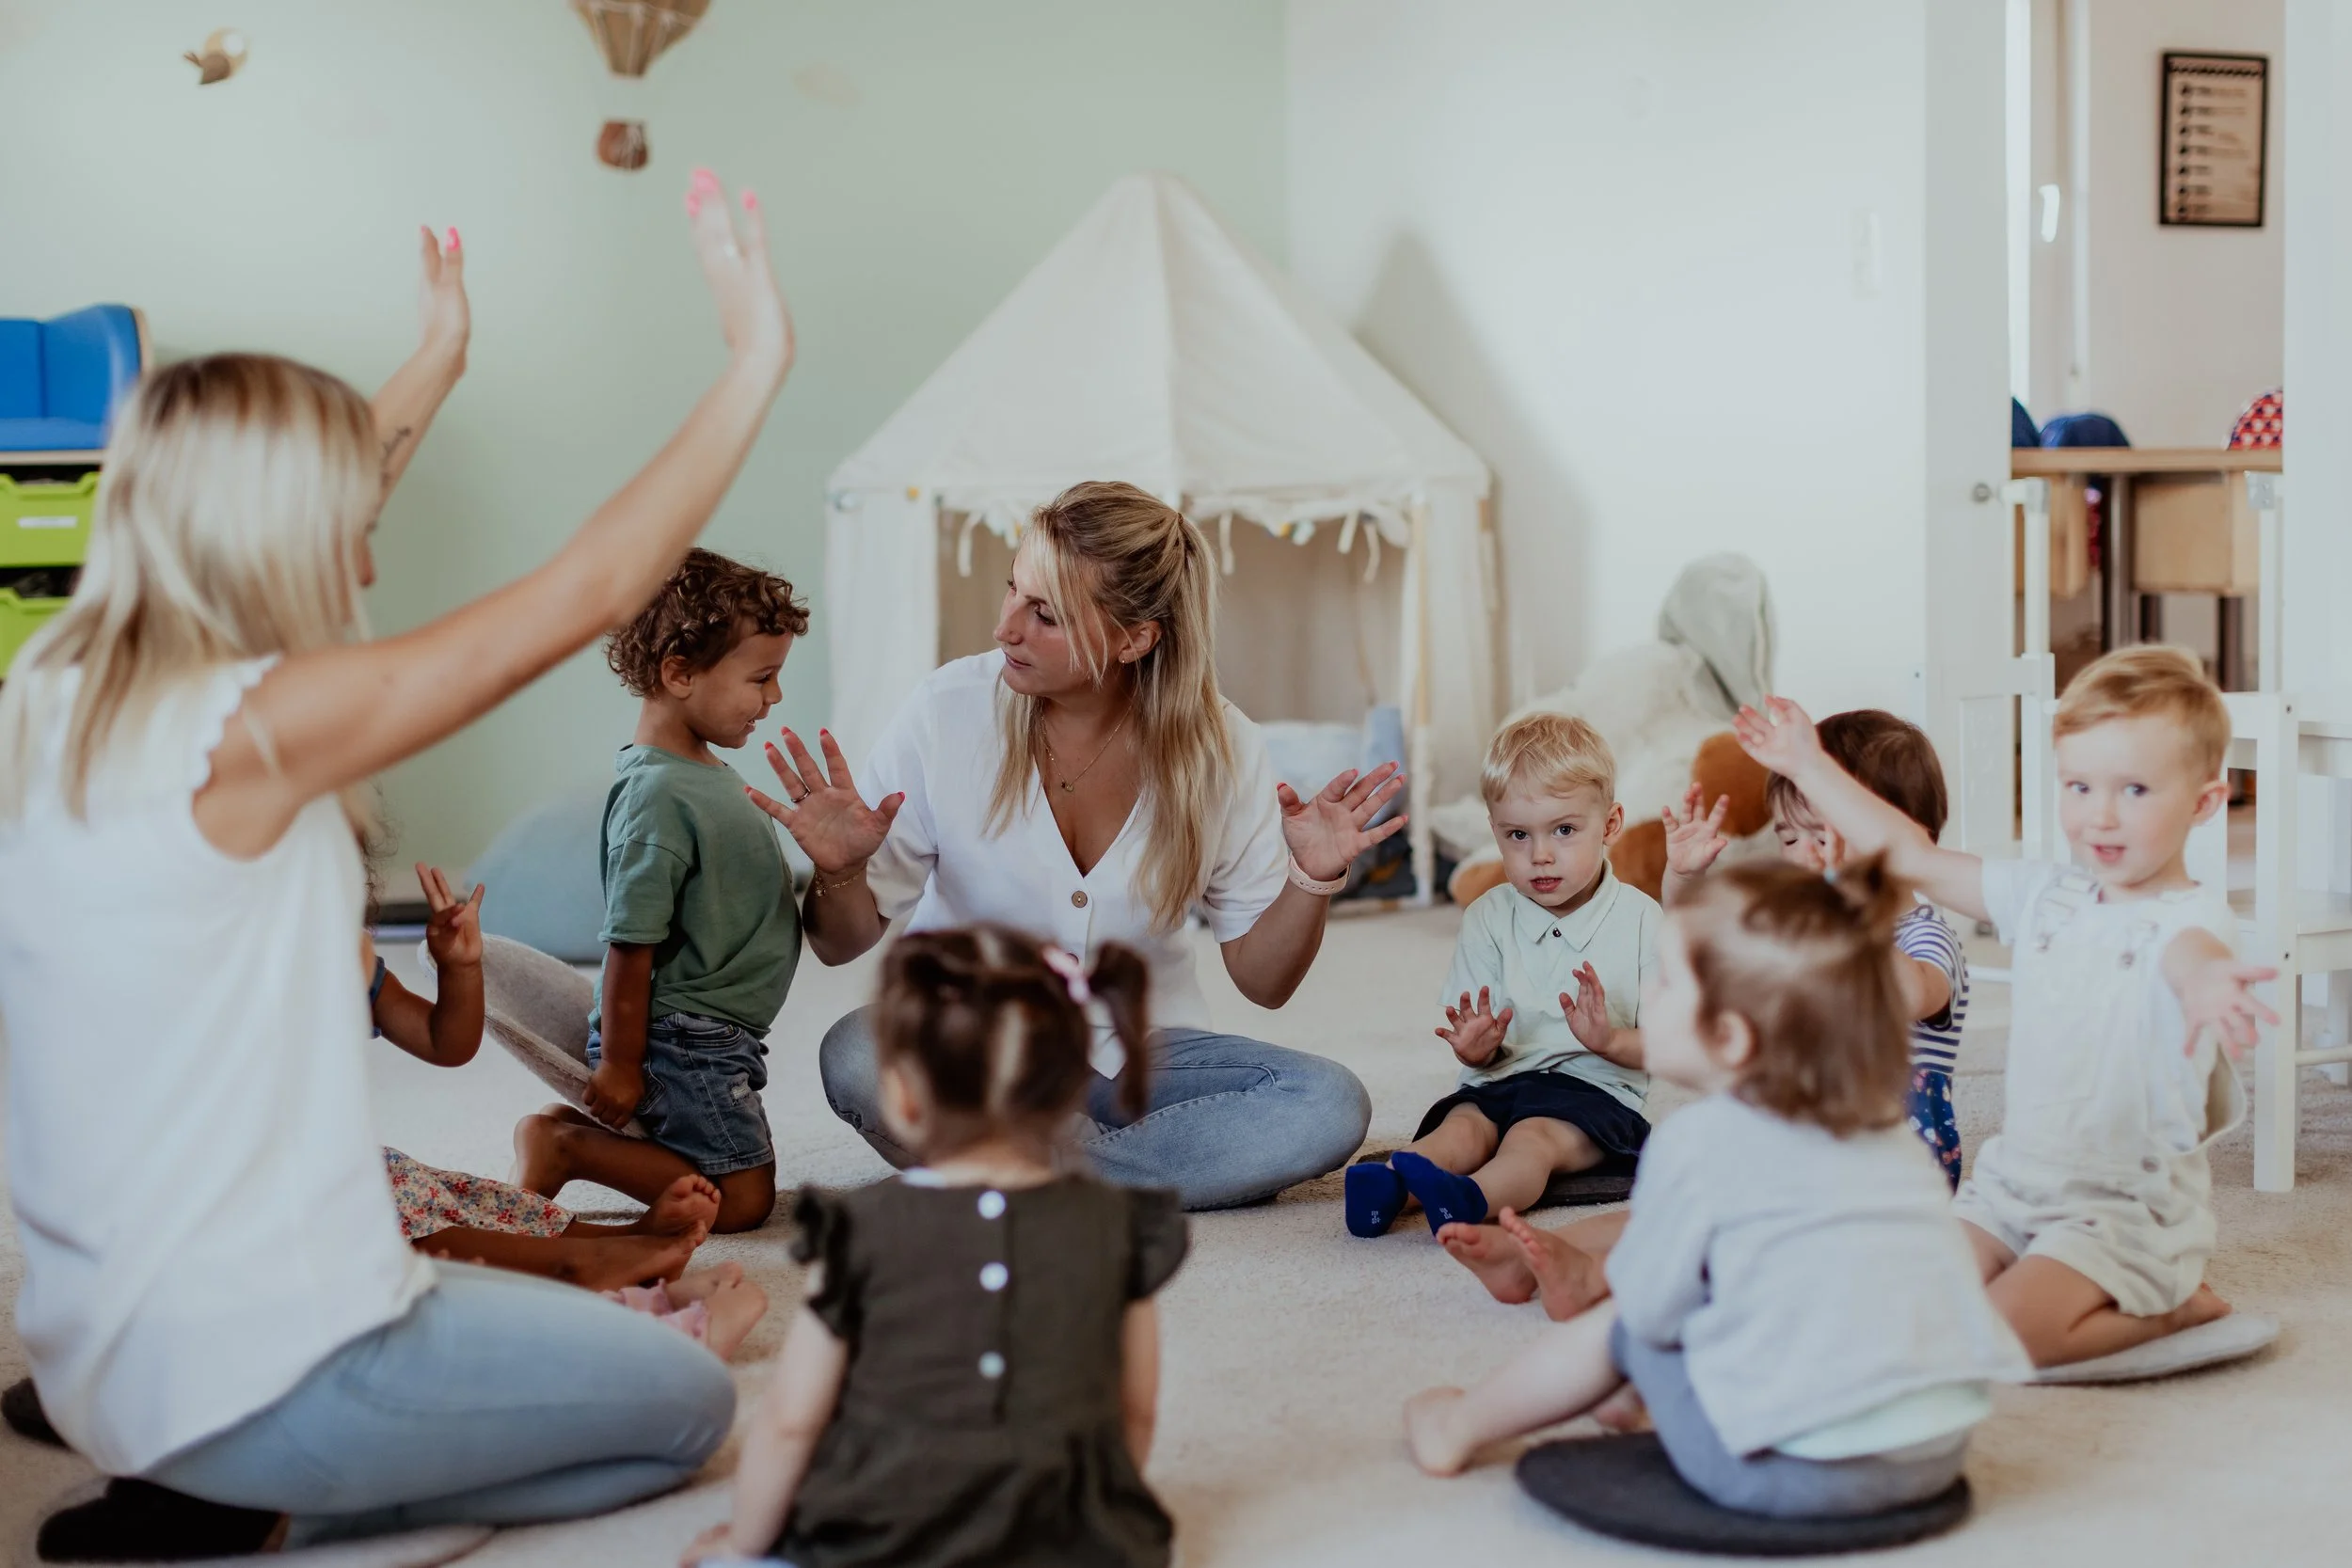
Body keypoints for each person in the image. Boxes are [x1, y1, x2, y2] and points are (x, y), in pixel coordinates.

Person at [0, 166, 793, 1559]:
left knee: (590, 1344)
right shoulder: (251, 728)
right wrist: (753, 360)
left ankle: (228, 1482)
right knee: (682, 1403)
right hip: (263, 1361)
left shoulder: (72, 685)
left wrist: (439, 353)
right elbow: (583, 594)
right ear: (281, 527)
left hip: (114, 1350)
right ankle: (276, 1510)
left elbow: (315, 482)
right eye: (348, 500)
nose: (374, 523)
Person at [748, 481, 1391, 1211]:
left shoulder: (1223, 746)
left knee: (1330, 1101)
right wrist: (841, 871)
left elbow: (1264, 982)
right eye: (1013, 591)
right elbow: (838, 944)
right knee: (860, 1052)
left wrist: (1312, 877)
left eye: (1044, 614)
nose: (1005, 627)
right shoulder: (946, 714)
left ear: (1134, 638)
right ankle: (1116, 1175)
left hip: (1148, 1059)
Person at [1404, 858, 2030, 1519]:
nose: (1649, 997)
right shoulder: (1888, 1133)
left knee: (1617, 1326)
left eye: (1667, 983)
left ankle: (1459, 1425)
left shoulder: (1699, 1140)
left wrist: (1635, 1348)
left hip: (1795, 1472)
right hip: (1934, 1452)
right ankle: (1644, 1395)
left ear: (1730, 1037)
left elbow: (1648, 1309)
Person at [1733, 646, 2276, 1370]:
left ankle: (2171, 1309)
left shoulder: (2186, 916)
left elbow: (2193, 954)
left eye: (2136, 790)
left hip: (2120, 1208)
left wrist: (2208, 981)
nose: (2101, 814)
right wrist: (1806, 765)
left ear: (2206, 802)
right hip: (2009, 1189)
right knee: (1898, 1303)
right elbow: (1910, 852)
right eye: (2079, 785)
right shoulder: (2044, 894)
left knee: (1995, 1338)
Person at [682, 926, 1187, 1568]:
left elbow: (791, 1421)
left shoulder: (856, 1231)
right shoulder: (1119, 1225)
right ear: (1068, 1091)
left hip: (878, 1540)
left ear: (901, 1095)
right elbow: (1135, 1412)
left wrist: (743, 1543)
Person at [513, 548, 809, 1234]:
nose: (774, 698)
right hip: (685, 1036)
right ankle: (564, 1145)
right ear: (679, 672)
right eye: (761, 678)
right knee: (740, 1200)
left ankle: (564, 1135)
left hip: (715, 1033)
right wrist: (619, 1061)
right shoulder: (657, 794)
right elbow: (630, 943)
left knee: (718, 1168)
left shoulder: (699, 772)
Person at [372, 865, 767, 1357]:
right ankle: (577, 1264)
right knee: (384, 1223)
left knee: (438, 1194)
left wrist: (460, 968)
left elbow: (444, 1041)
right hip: (278, 1193)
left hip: (349, 1164)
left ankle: (618, 1239)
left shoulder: (341, 959)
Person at [1346, 714, 1658, 1238]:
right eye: (1518, 834)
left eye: (1564, 830)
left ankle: (1473, 1200)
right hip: (1500, 1082)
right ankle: (1390, 1186)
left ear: (1609, 824)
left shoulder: (1645, 921)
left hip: (1595, 1095)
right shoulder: (1487, 918)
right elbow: (1478, 1049)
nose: (1540, 855)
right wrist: (1475, 1050)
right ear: (1496, 832)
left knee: (1531, 1140)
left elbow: (1669, 1046)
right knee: (1463, 1130)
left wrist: (1607, 1040)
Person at [1663, 711, 1969, 1186]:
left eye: (1823, 836)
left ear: (1908, 835)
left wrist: (1854, 913)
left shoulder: (1923, 934)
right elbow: (1701, 946)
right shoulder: (1797, 924)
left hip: (1896, 1157)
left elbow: (1909, 995)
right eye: (1788, 836)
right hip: (1805, 1126)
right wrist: (1685, 878)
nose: (1805, 855)